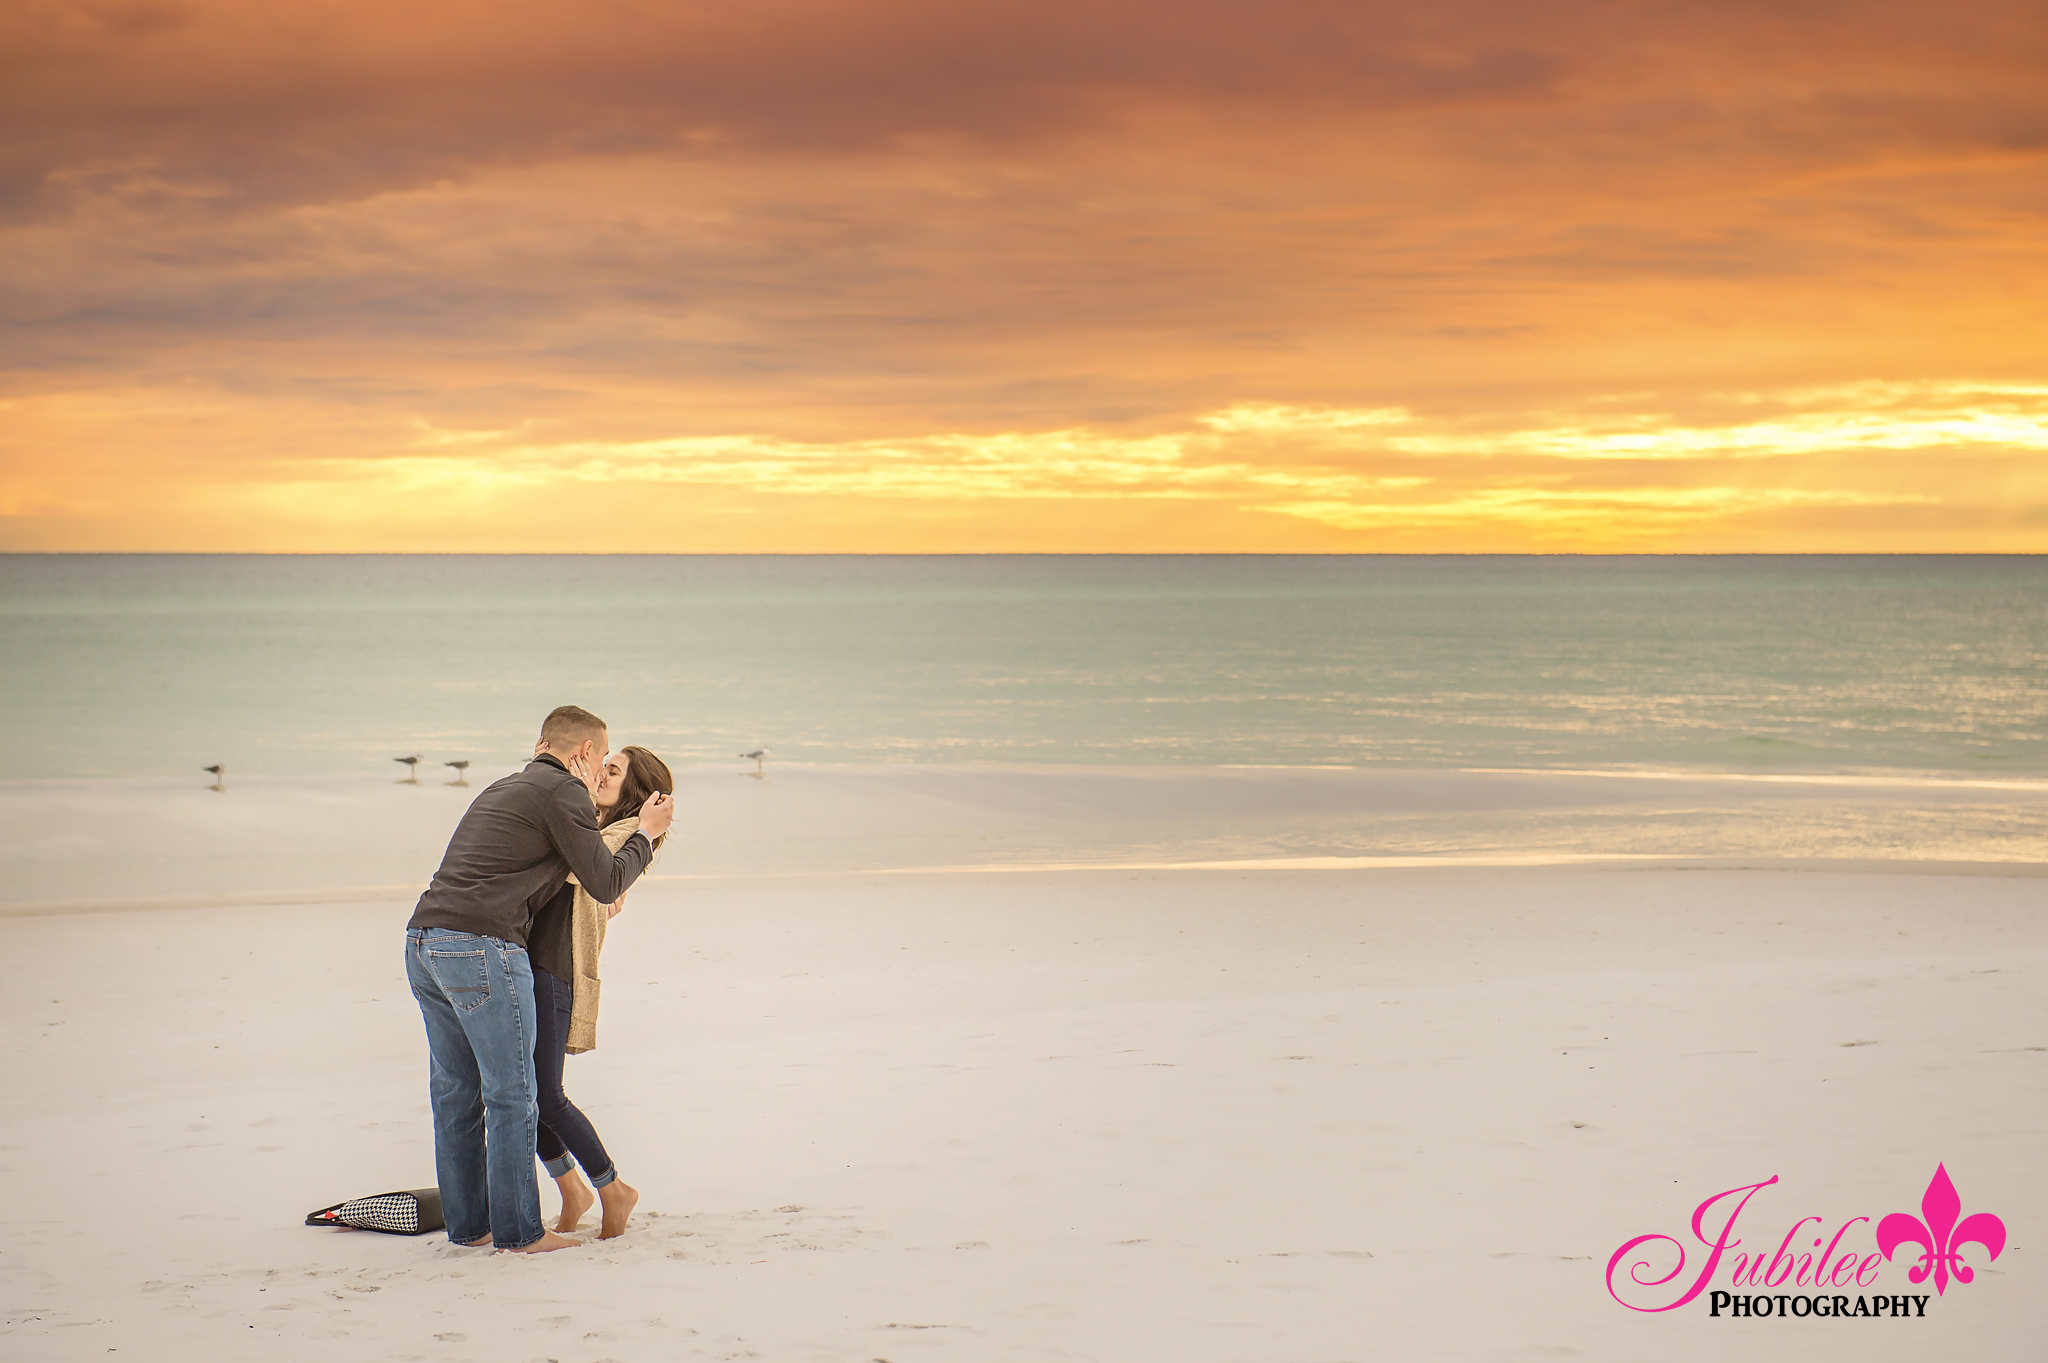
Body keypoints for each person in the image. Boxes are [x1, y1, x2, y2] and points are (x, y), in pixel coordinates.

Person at [403, 706, 674, 1252]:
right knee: (514, 1094)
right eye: (601, 760)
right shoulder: (564, 795)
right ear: (581, 754)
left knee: (457, 1096)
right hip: (480, 945)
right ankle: (521, 1233)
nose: (598, 774)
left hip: (423, 940)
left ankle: (471, 1229)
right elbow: (601, 879)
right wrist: (645, 836)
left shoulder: (504, 788)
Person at [525, 743, 675, 1239]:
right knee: (527, 1092)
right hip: (538, 960)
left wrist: (647, 832)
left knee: (545, 1093)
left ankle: (611, 1189)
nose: (601, 774)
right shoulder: (597, 827)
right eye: (602, 766)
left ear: (632, 789)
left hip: (557, 965)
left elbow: (582, 870)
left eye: (612, 771)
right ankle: (573, 1188)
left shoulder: (625, 832)